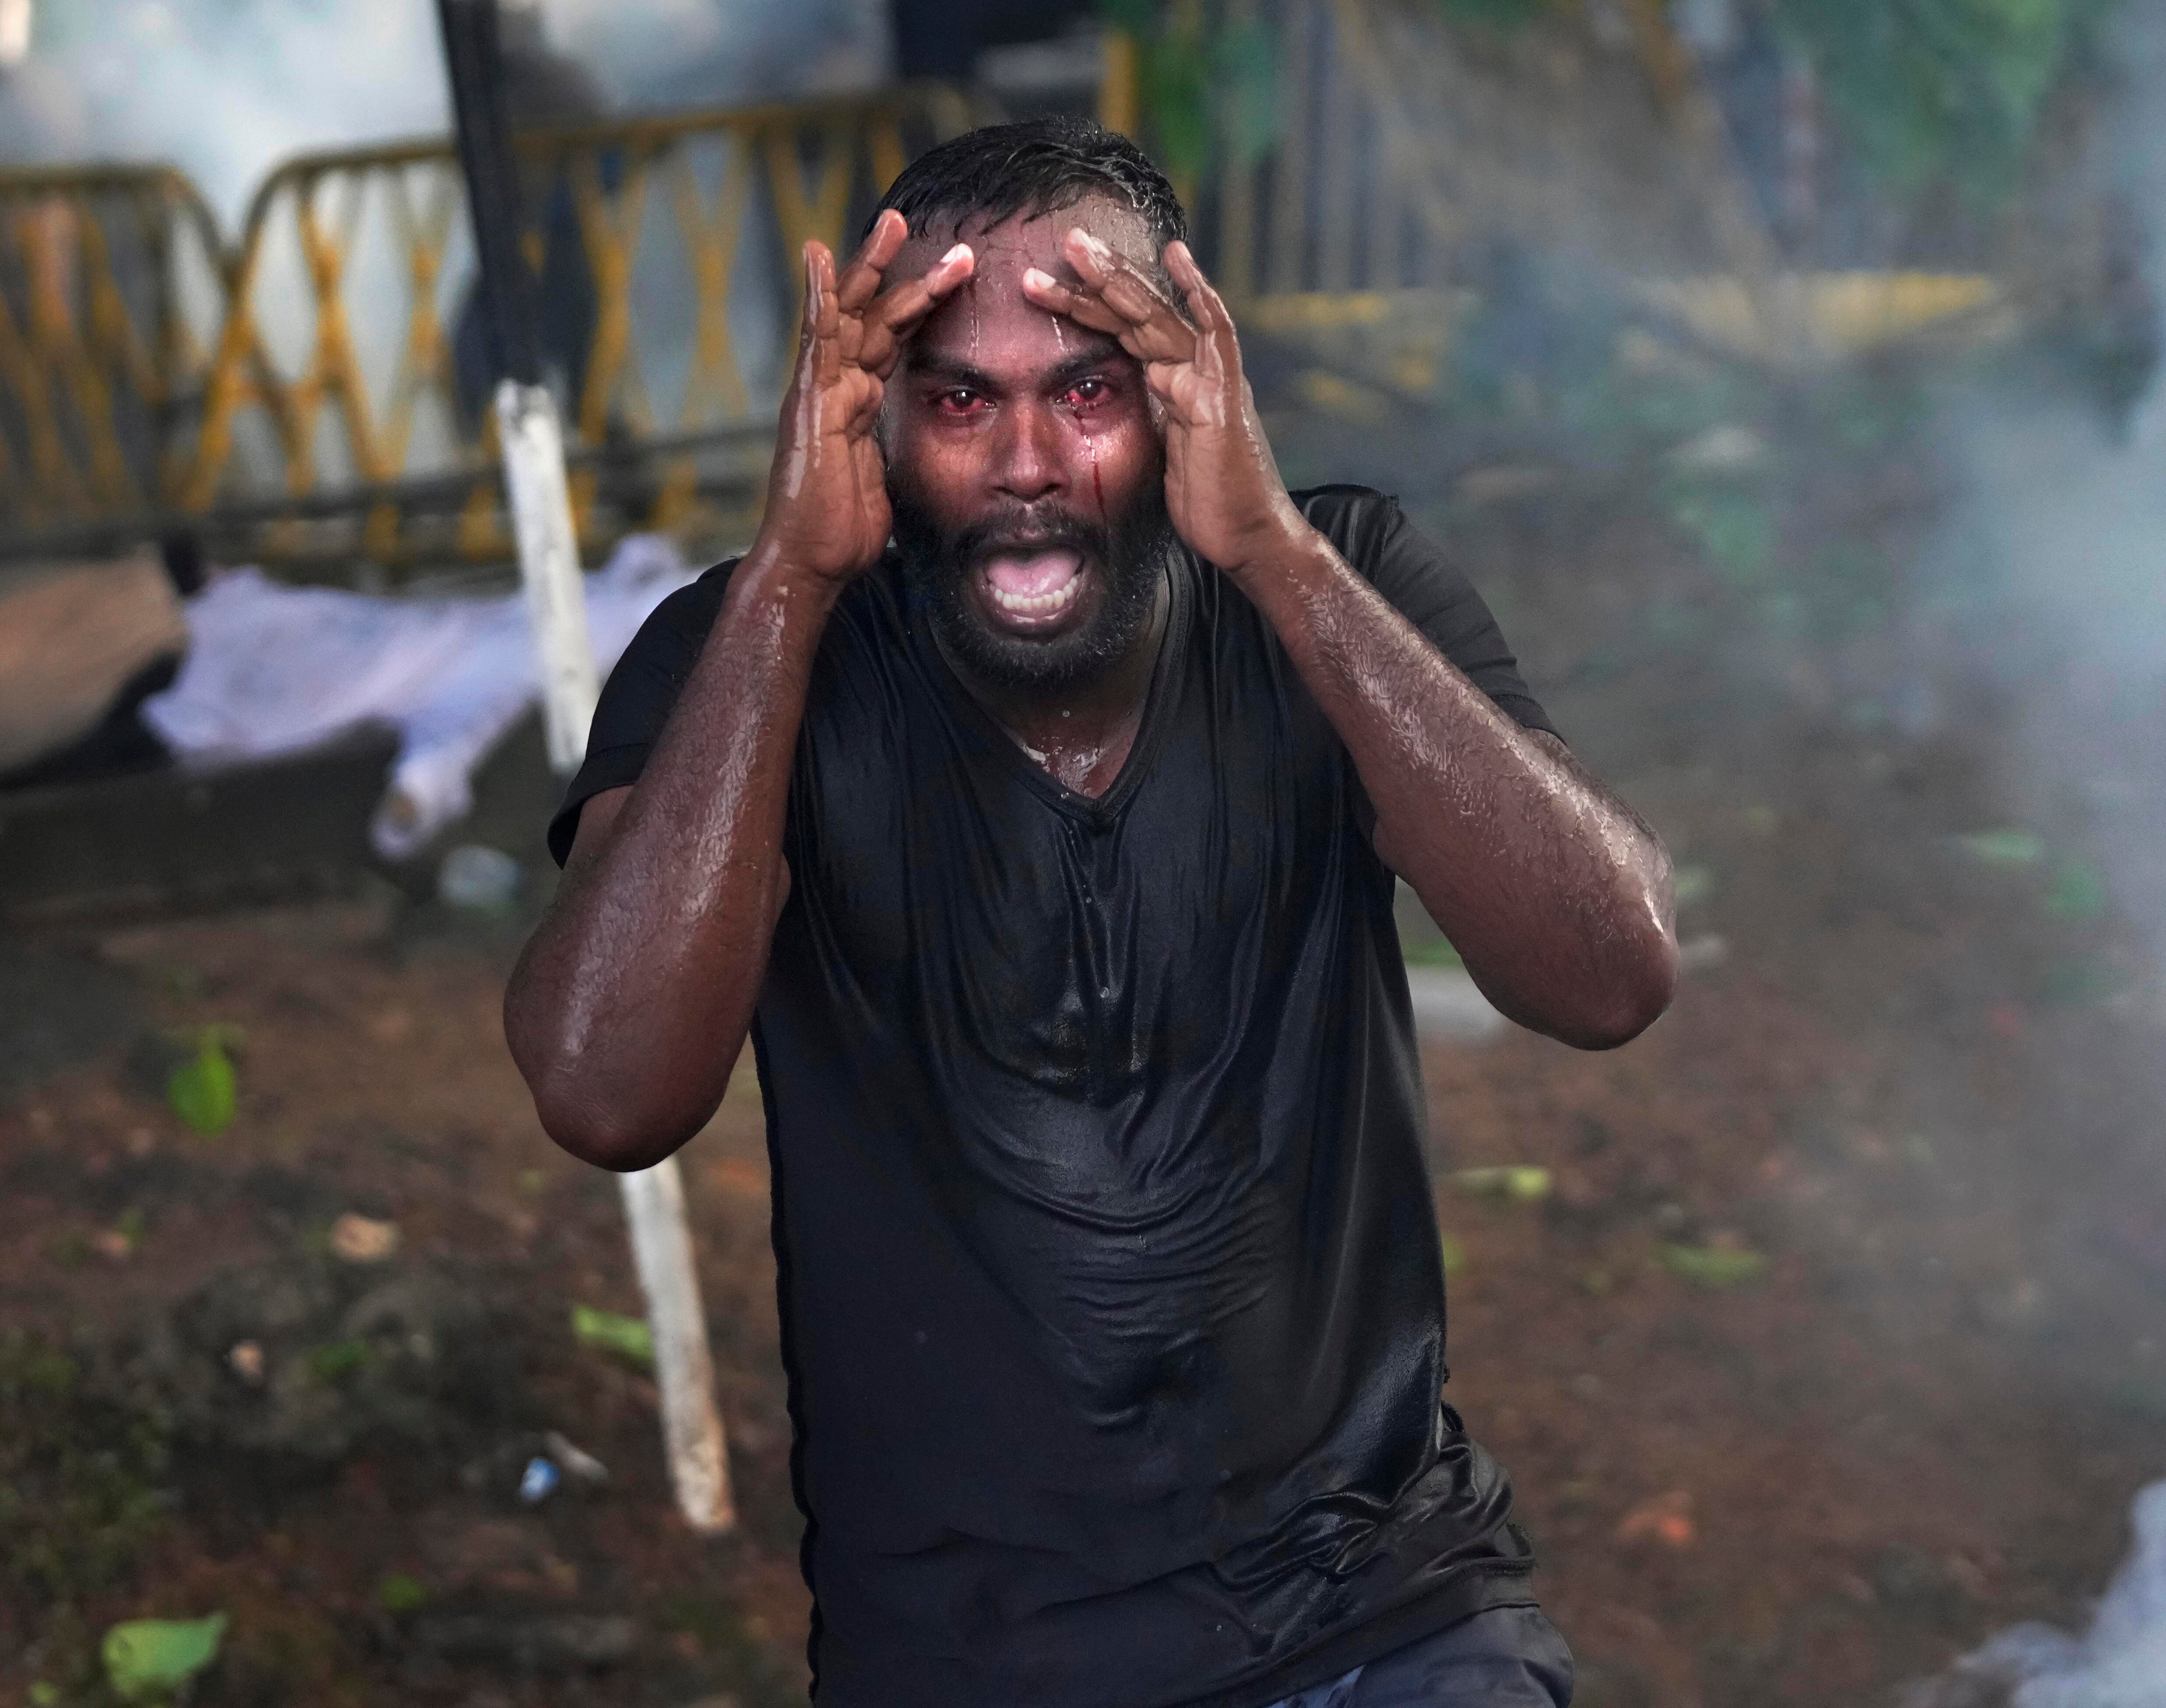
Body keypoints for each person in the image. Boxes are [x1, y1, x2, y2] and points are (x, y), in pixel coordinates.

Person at [504, 118, 1675, 1708]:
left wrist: (1275, 553)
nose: (1030, 465)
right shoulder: (748, 653)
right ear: (876, 420)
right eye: (959, 399)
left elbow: (1608, 974)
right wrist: (786, 578)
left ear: (1191, 388)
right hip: (971, 1663)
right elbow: (603, 1092)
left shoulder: (1342, 577)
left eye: (1090, 389)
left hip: (1382, 1608)